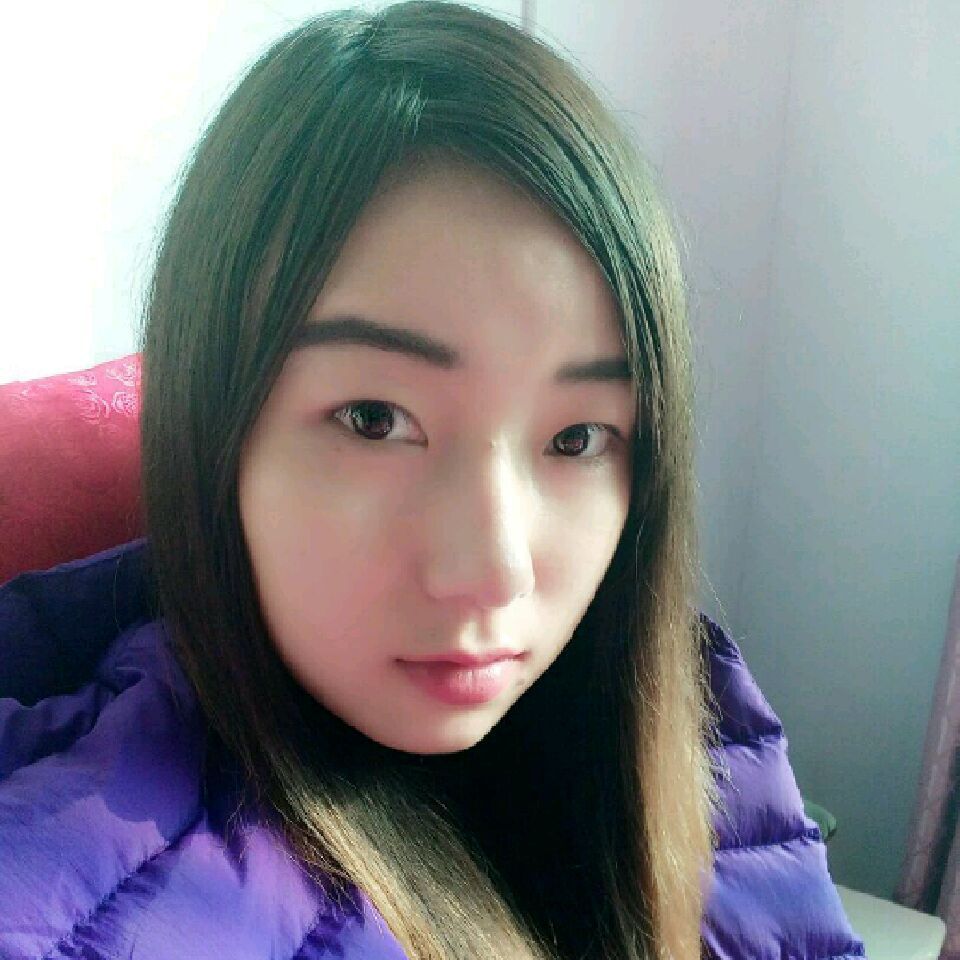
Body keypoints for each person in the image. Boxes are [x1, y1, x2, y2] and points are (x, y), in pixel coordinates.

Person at [0, 3, 866, 958]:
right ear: (215, 431)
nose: (493, 573)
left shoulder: (688, 718)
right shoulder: (89, 867)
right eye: (375, 420)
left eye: (577, 437)